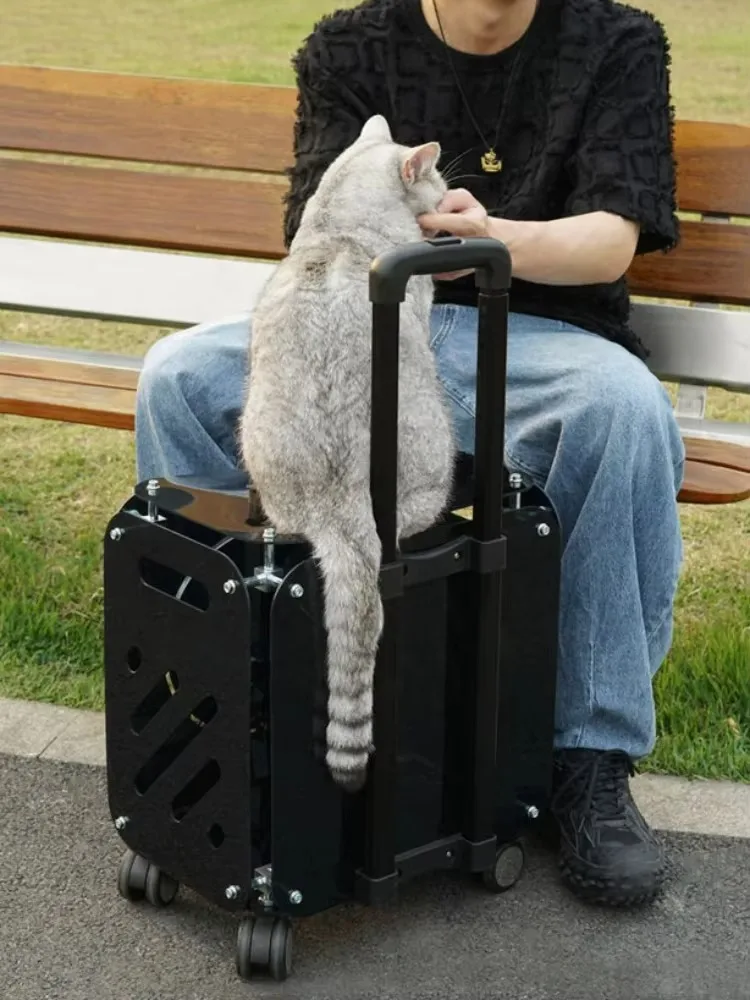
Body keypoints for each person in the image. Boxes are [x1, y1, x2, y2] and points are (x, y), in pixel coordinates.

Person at [135, 0, 684, 907]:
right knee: (180, 379)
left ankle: (589, 757)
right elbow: (319, 226)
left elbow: (612, 238)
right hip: (366, 331)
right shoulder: (352, 45)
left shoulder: (616, 41)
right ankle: (227, 710)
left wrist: (495, 239)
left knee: (623, 409)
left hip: (537, 336)